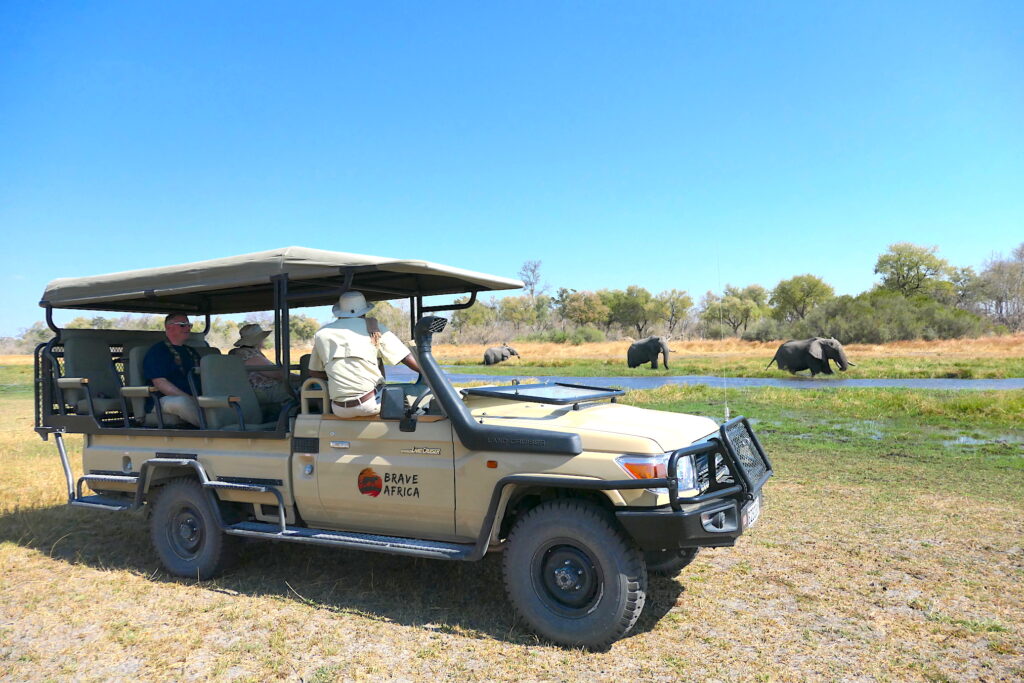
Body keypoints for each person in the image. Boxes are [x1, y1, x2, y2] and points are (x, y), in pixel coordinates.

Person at [309, 291, 421, 418]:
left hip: (339, 408)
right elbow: (406, 357)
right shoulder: (375, 329)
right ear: (364, 311)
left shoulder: (322, 333)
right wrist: (432, 374)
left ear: (340, 312)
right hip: (370, 404)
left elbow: (314, 372)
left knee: (377, 360)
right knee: (415, 408)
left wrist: (337, 374)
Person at [142, 313, 202, 426]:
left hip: (194, 397)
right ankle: (216, 430)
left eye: (189, 325)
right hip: (164, 400)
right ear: (169, 327)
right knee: (182, 402)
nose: (188, 328)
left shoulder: (191, 352)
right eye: (183, 325)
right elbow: (160, 383)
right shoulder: (157, 351)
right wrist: (189, 398)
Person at [228, 323, 291, 404]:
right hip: (260, 390)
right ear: (257, 340)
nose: (264, 340)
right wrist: (301, 377)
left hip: (259, 389)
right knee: (297, 390)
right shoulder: (246, 353)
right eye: (262, 338)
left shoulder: (249, 352)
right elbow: (276, 373)